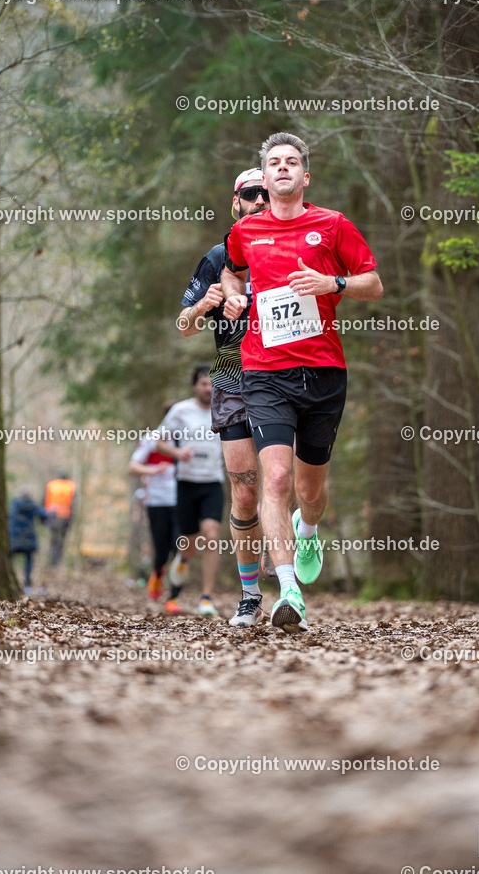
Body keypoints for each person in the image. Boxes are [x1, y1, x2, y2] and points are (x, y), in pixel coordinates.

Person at [222, 132, 383, 632]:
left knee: (311, 489)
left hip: (324, 371)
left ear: (305, 176)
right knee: (274, 479)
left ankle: (308, 529)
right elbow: (231, 272)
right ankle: (288, 589)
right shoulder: (247, 232)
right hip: (264, 370)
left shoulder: (332, 225)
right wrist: (233, 297)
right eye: (274, 163)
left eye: (293, 162)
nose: (284, 169)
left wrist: (331, 283)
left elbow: (373, 284)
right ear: (264, 179)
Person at [178, 168, 271, 628]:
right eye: (250, 195)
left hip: (284, 373)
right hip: (233, 373)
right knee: (245, 489)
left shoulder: (289, 249)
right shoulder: (218, 256)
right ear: (235, 203)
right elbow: (184, 325)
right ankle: (250, 594)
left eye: (267, 194)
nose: (259, 201)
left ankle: (296, 545)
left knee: (285, 485)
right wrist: (203, 306)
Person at [155, 366, 225, 616]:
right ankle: (182, 562)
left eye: (213, 384)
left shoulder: (225, 408)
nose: (209, 388)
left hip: (213, 483)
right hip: (186, 483)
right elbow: (159, 441)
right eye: (204, 383)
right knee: (190, 544)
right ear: (195, 386)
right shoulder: (181, 410)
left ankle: (206, 598)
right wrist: (177, 453)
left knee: (212, 535)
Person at [128, 429, 180, 603]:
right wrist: (154, 470)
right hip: (157, 502)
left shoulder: (189, 437)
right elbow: (133, 467)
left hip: (182, 502)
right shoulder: (152, 439)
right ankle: (157, 573)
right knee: (161, 549)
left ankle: (174, 596)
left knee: (180, 547)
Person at [8, 486, 49, 593]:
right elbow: (44, 515)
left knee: (10, 558)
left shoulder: (14, 505)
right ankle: (27, 584)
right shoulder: (33, 505)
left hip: (14, 537)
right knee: (29, 560)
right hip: (28, 538)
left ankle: (9, 579)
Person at [44, 471, 76, 567]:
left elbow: (44, 499)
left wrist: (44, 517)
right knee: (61, 540)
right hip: (65, 517)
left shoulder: (51, 485)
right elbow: (74, 504)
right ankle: (57, 561)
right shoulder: (71, 486)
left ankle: (52, 560)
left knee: (53, 539)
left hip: (52, 516)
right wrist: (72, 518)